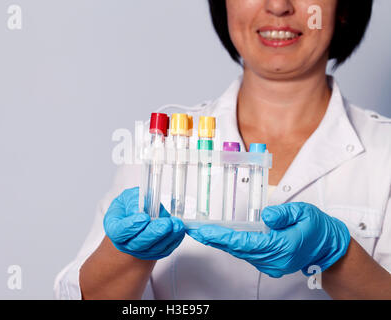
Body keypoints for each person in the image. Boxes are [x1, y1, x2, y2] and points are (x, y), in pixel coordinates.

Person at [55, 0, 391, 299]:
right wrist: (125, 253)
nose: (277, 6)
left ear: (345, 7)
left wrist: (336, 255)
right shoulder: (167, 143)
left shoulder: (384, 152)